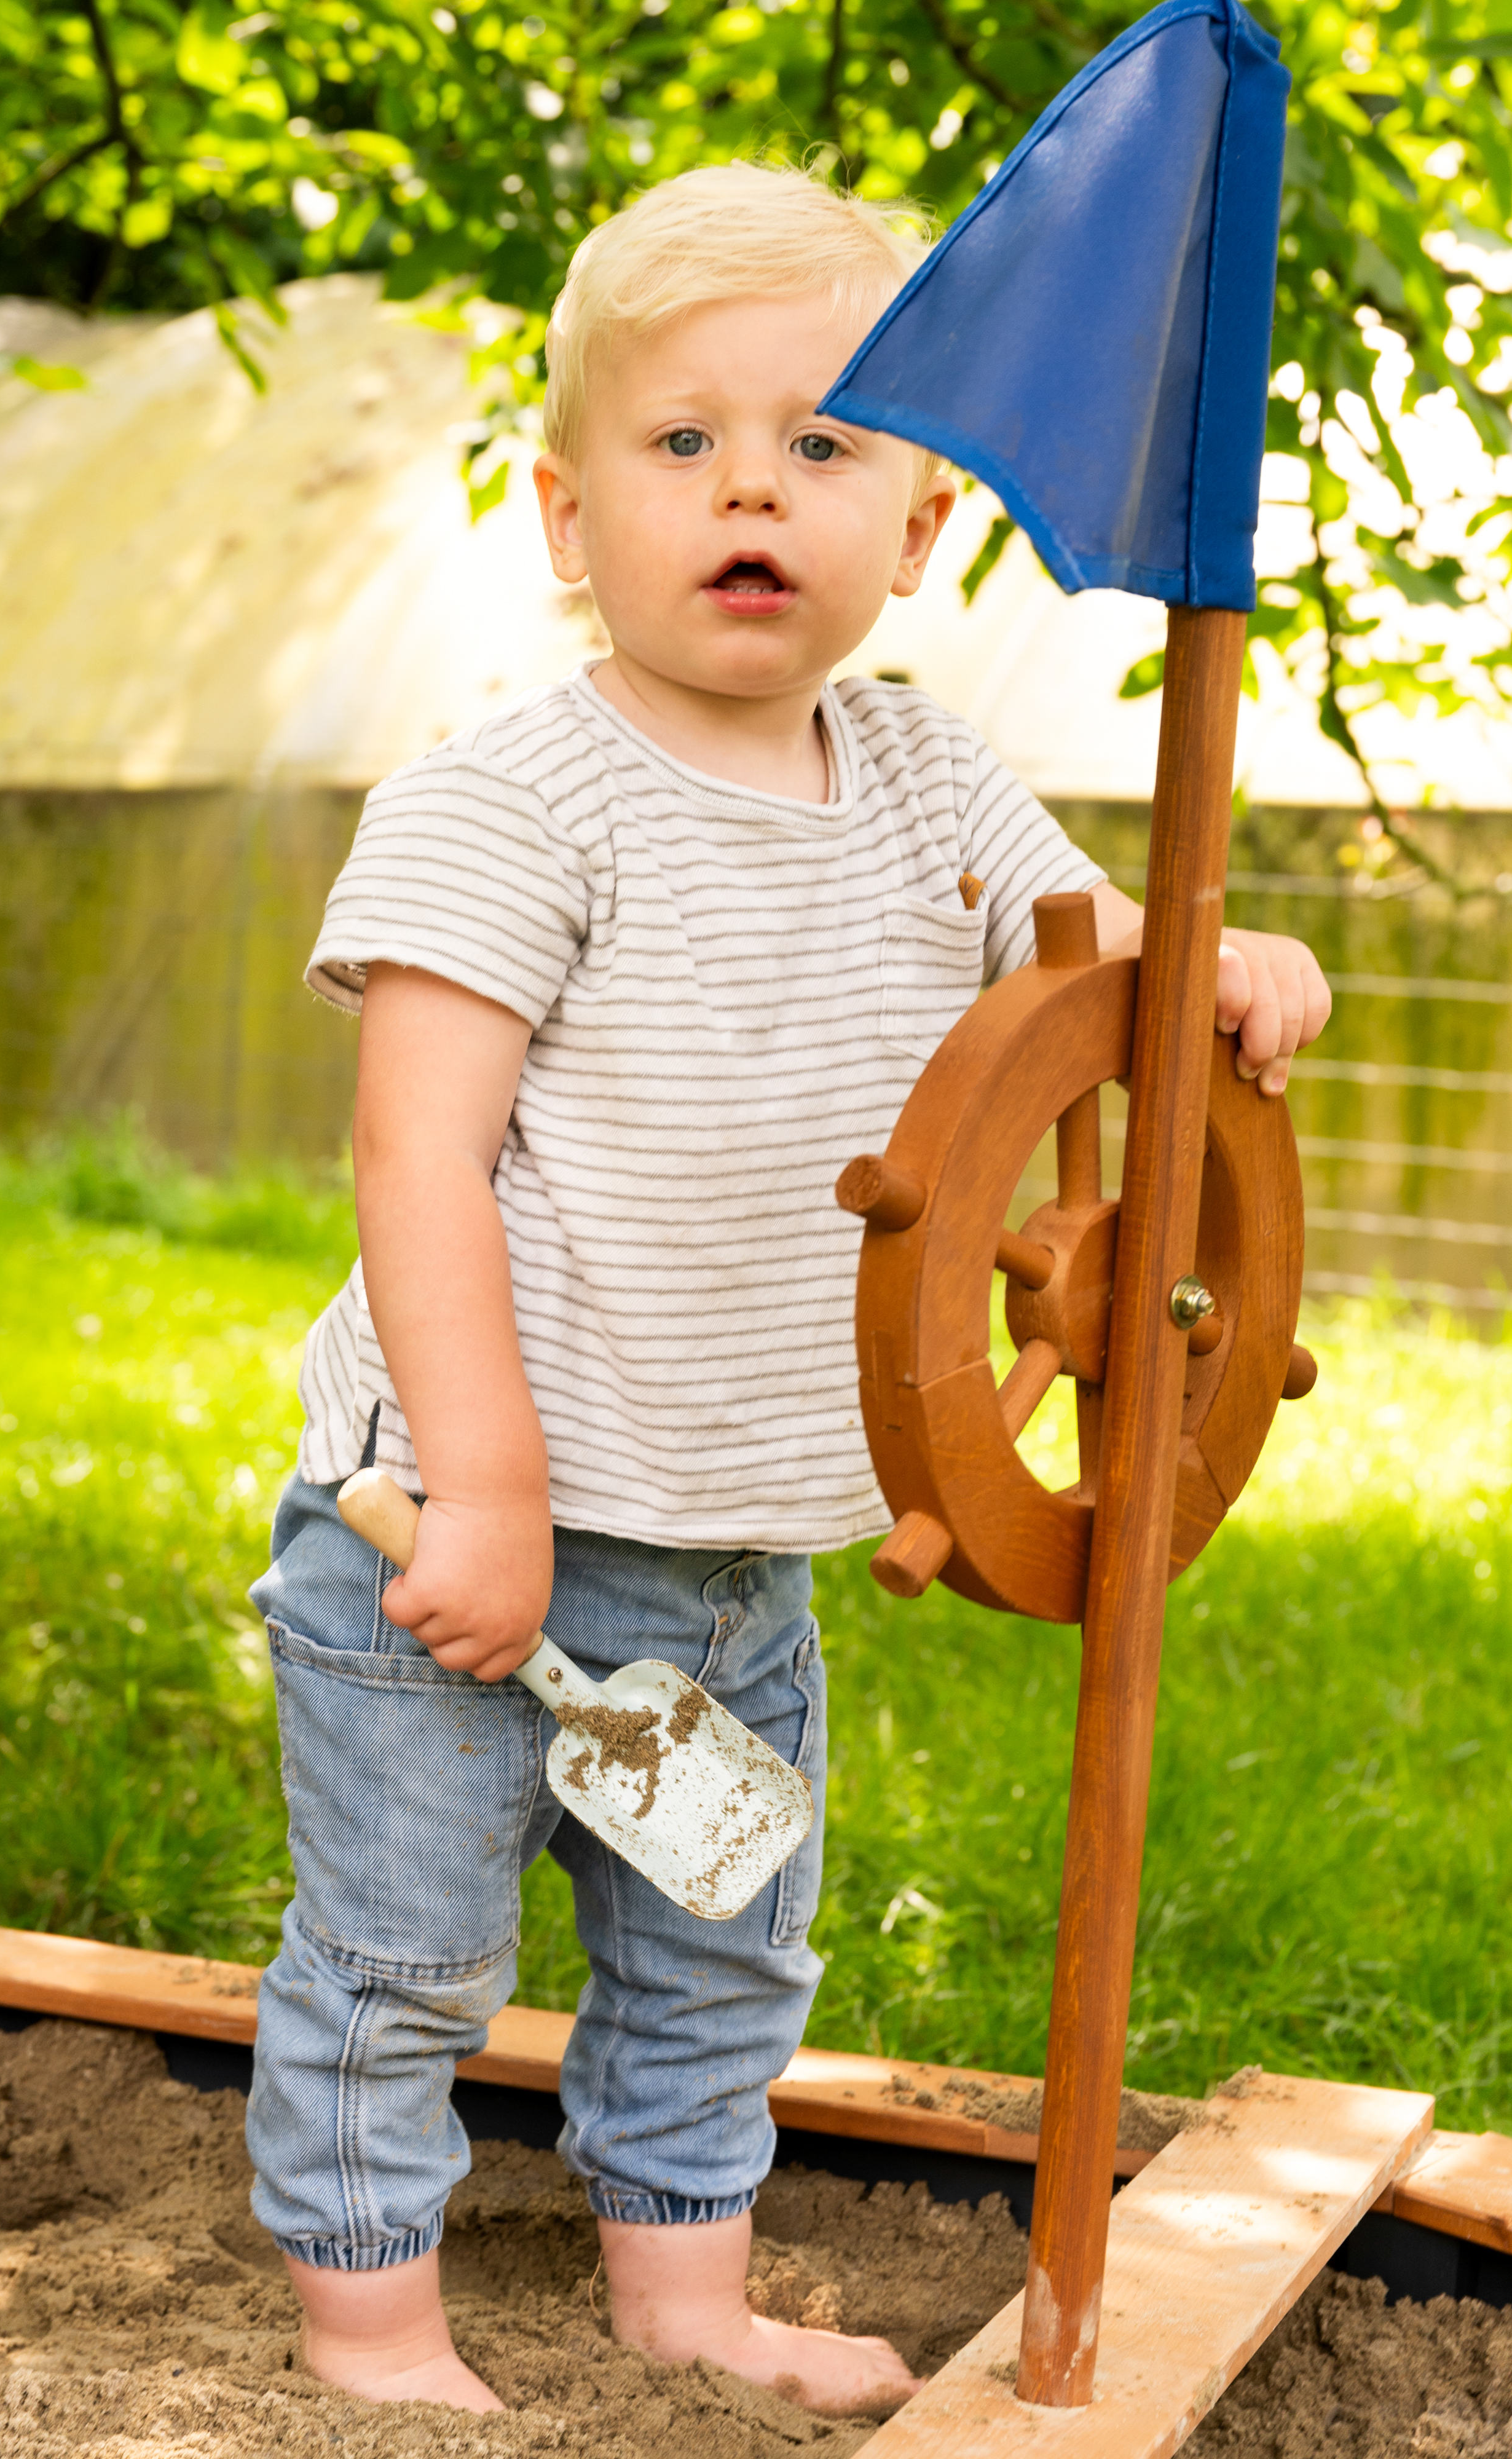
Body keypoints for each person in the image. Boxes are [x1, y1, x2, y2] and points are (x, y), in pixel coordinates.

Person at [244, 160, 1332, 2419]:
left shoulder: (932, 780)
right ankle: (366, 2324)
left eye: (826, 444)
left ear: (918, 526)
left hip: (737, 1553)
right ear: (566, 513)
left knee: (720, 1944)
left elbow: (1090, 977)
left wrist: (1210, 954)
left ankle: (686, 2299)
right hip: (457, 1541)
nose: (757, 487)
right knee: (407, 1955)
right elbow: (414, 1157)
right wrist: (486, 1484)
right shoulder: (511, 802)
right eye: (685, 445)